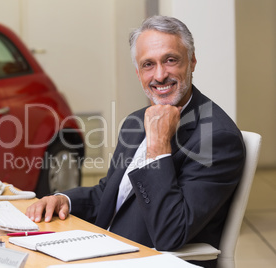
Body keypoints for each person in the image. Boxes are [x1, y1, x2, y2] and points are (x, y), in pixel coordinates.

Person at [26, 15, 245, 268]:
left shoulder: (217, 138)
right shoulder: (136, 121)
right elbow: (109, 194)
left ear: (192, 61)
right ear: (138, 72)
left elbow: (171, 233)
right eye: (148, 64)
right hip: (103, 250)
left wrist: (158, 147)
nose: (160, 75)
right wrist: (64, 199)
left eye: (171, 60)